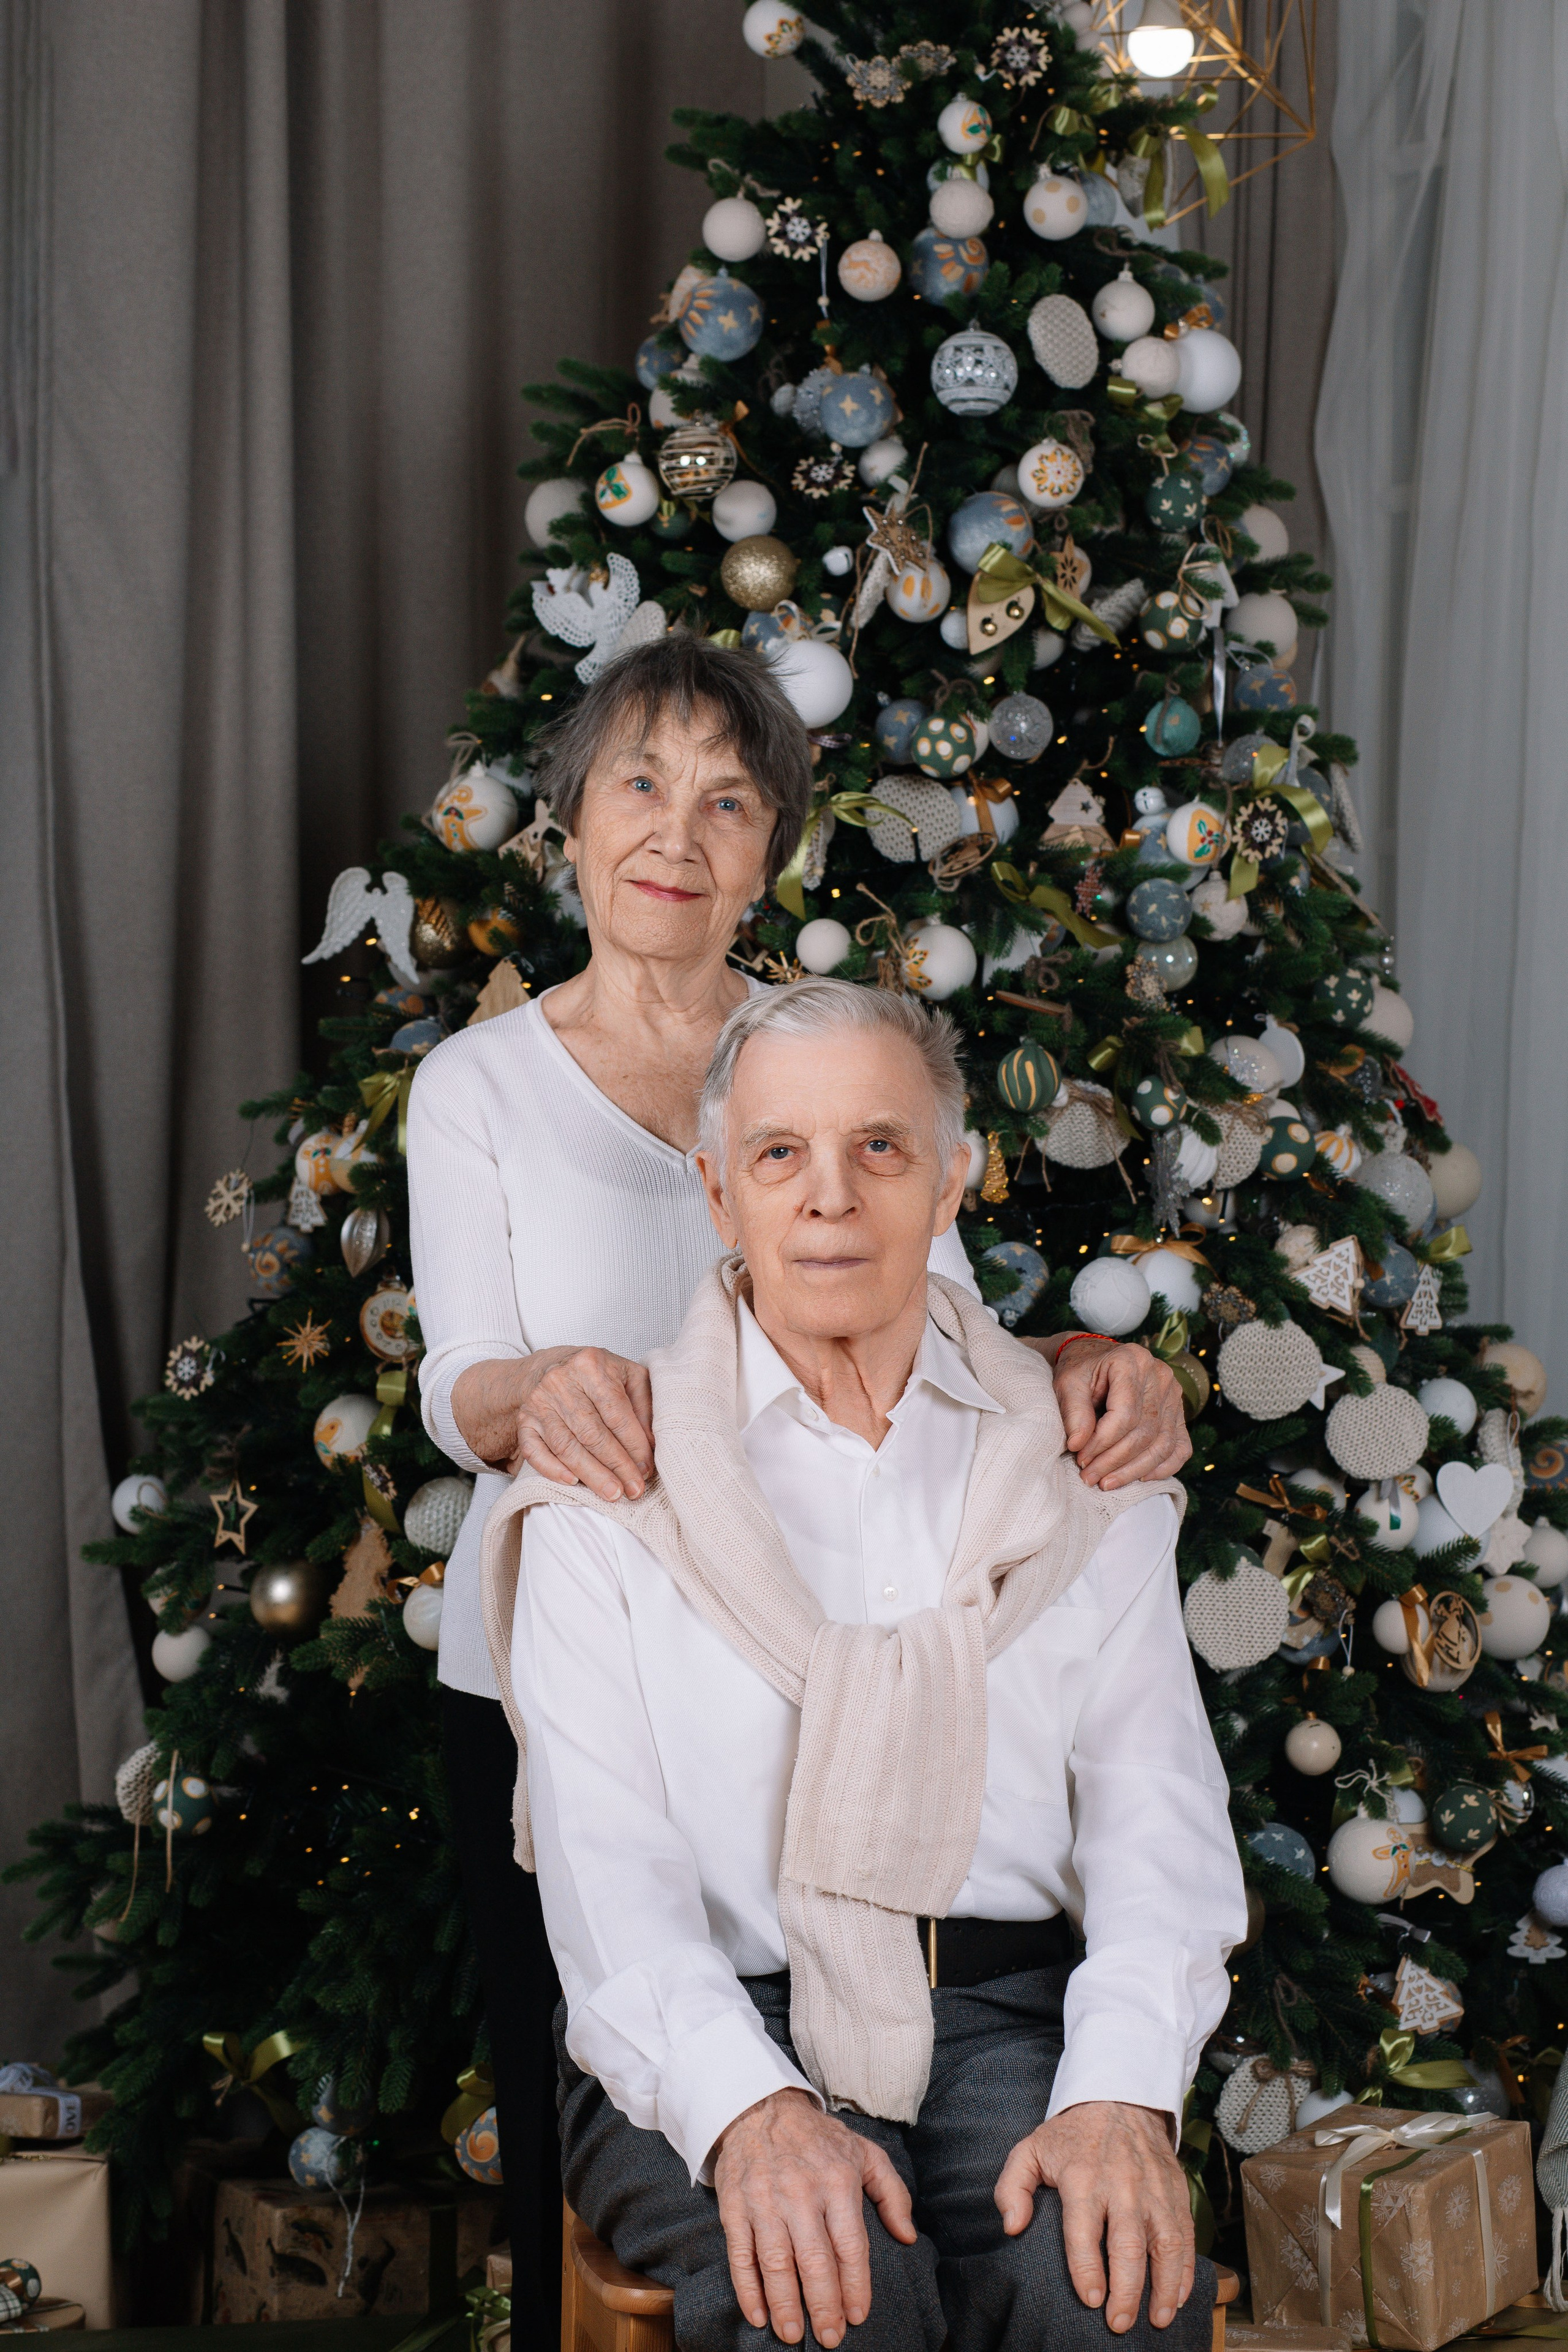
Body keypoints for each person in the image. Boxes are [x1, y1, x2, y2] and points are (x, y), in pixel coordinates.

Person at [406, 634, 1193, 2331]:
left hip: (856, 1578)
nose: (676, 832)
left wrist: (1068, 1371)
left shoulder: (826, 1053)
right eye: (639, 783)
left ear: (770, 844)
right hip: (596, 1598)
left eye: (728, 799)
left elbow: (937, 1307)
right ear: (572, 816)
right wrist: (556, 1396)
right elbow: (457, 1375)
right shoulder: (480, 1085)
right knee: (611, 2055)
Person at [482, 979, 1246, 2352]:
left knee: (1109, 2306)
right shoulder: (611, 1481)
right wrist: (751, 2113)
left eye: (879, 1148)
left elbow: (1158, 1824)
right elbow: (609, 1881)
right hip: (714, 2024)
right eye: (780, 1154)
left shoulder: (1079, 1469)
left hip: (1009, 2019)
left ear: (951, 1181)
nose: (828, 1197)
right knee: (829, 2312)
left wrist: (1121, 2095)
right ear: (720, 1196)